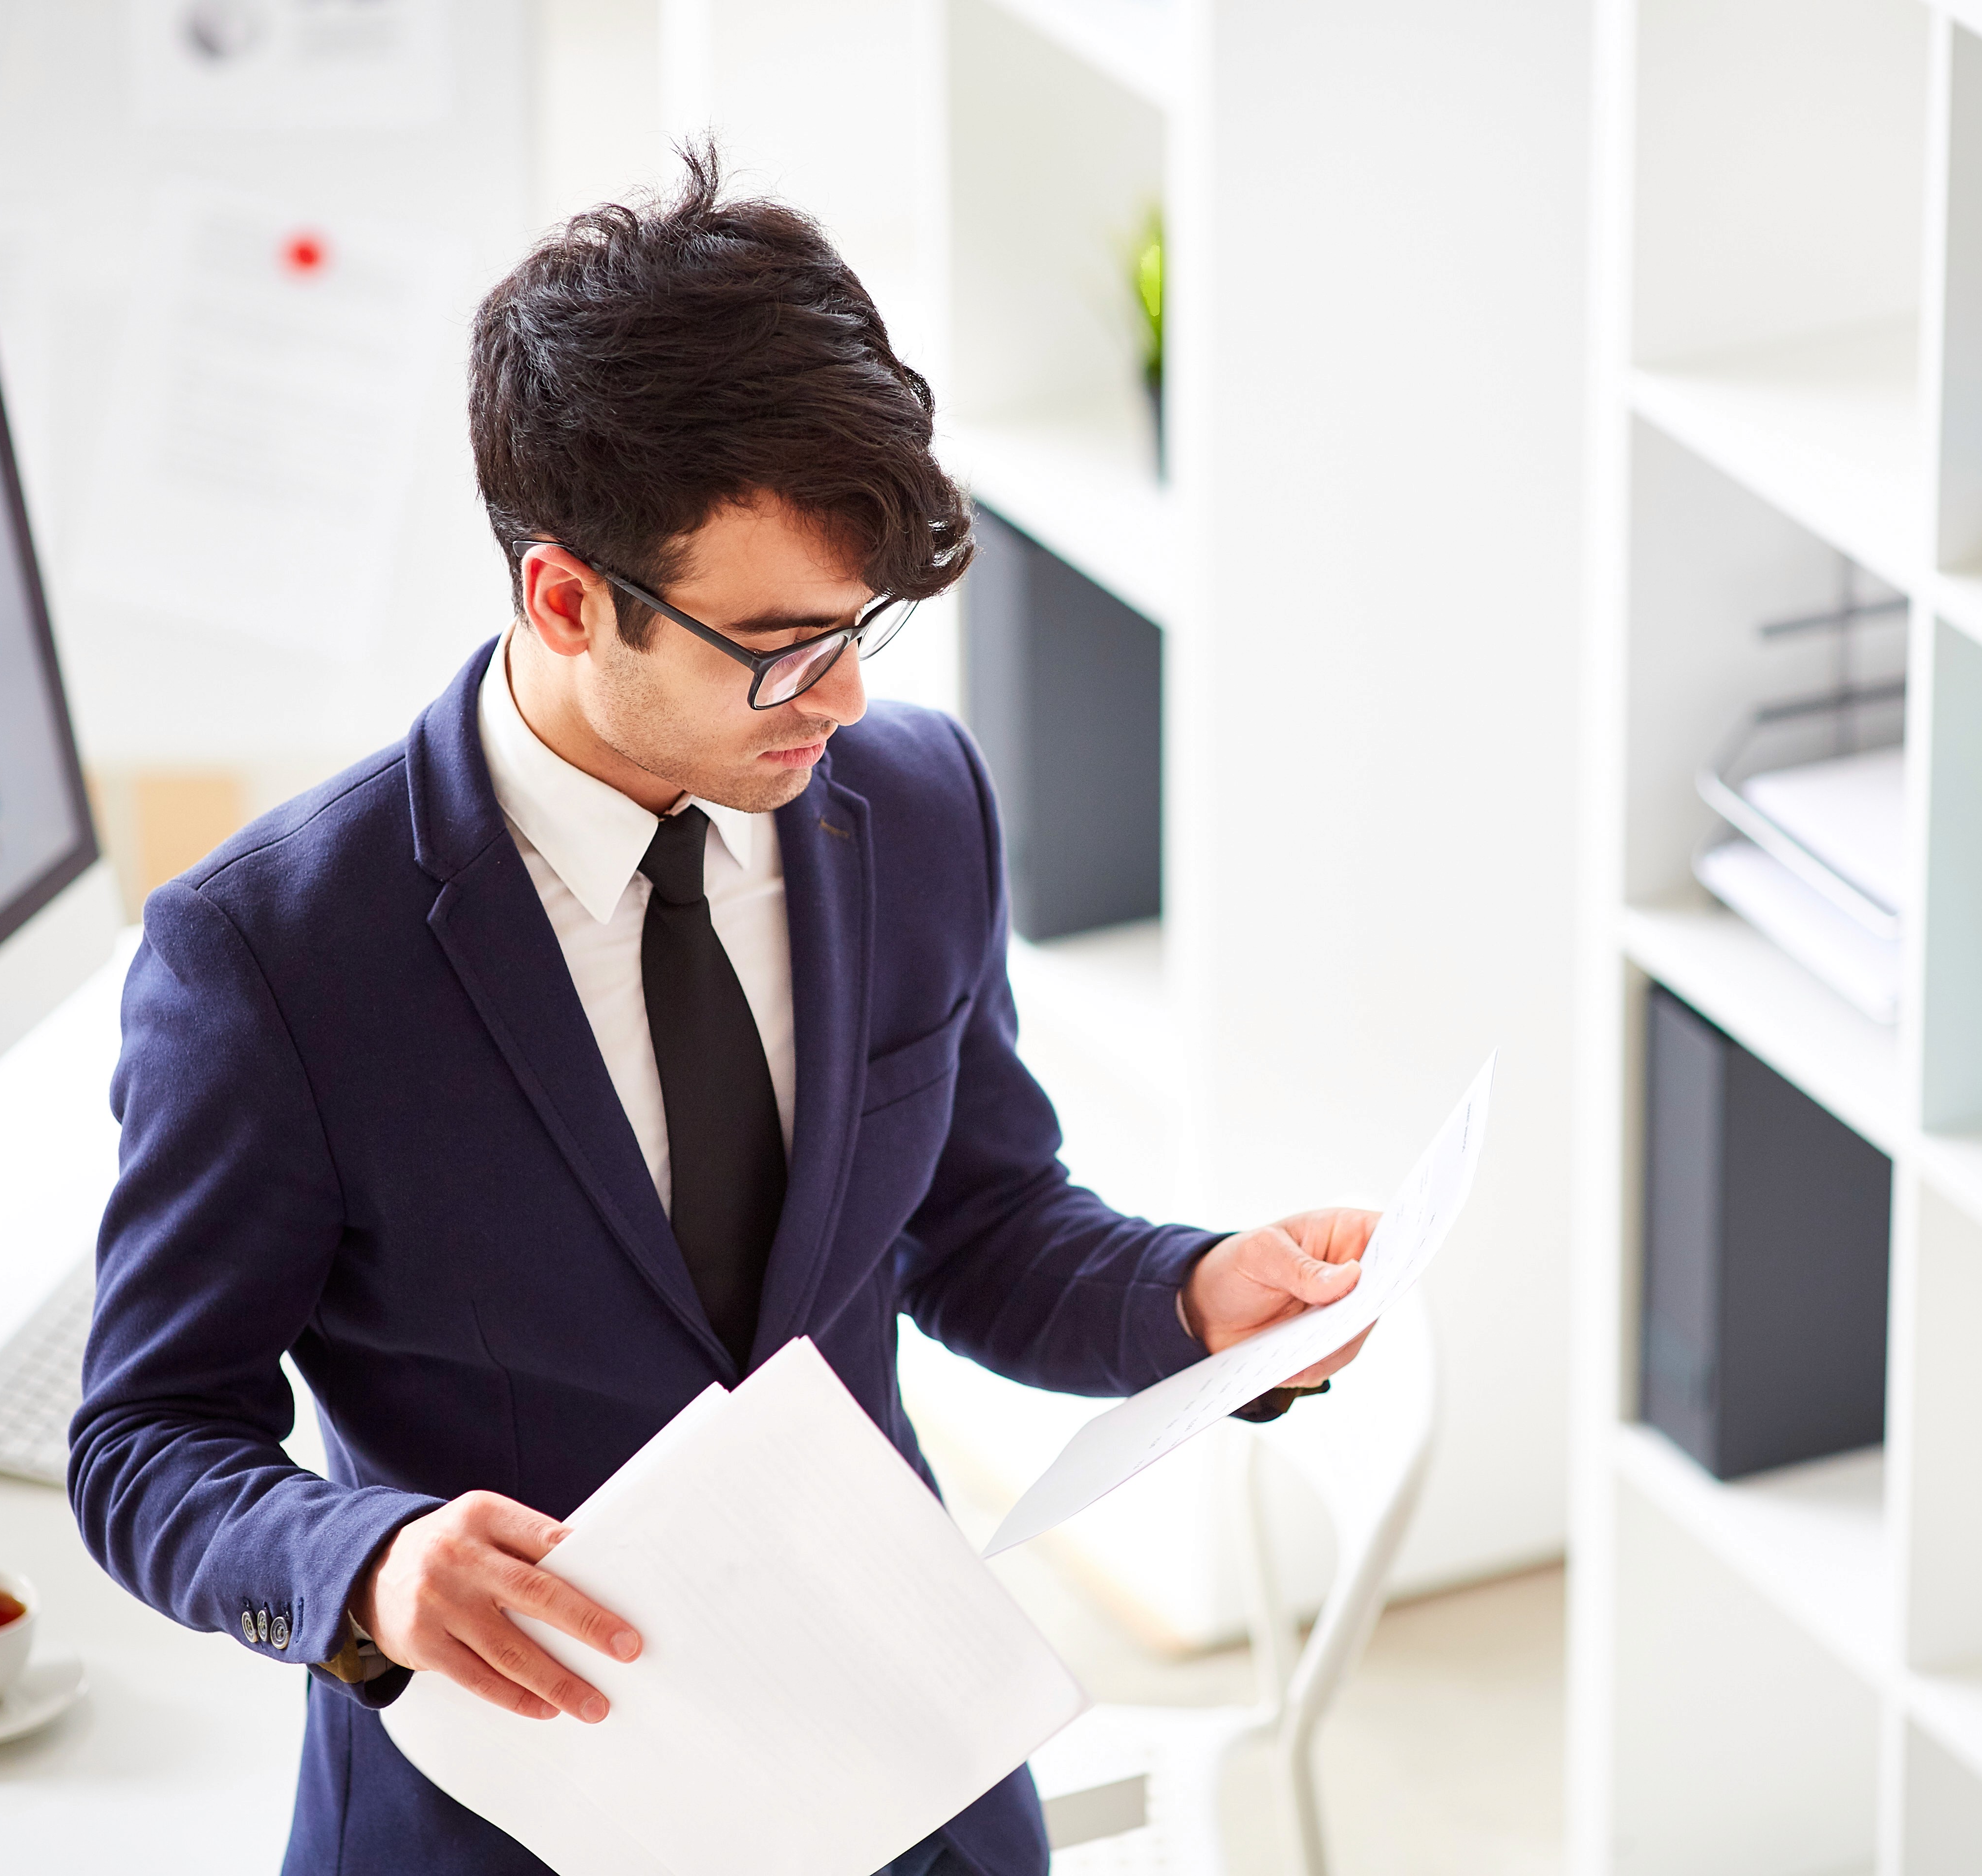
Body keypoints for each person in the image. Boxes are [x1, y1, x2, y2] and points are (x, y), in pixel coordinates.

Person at [68, 149, 1380, 1876]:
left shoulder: (913, 805)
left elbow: (977, 1223)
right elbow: (147, 1439)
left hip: (900, 1756)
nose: (839, 697)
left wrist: (1193, 1295)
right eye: (776, 645)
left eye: (863, 631)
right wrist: (367, 1567)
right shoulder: (276, 955)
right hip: (505, 1810)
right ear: (565, 597)